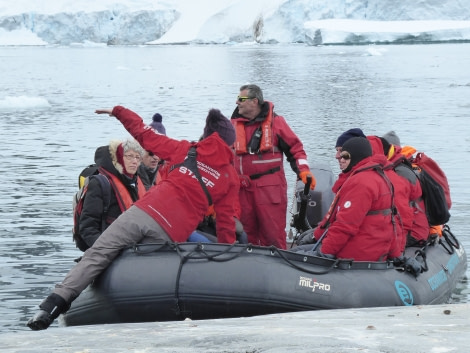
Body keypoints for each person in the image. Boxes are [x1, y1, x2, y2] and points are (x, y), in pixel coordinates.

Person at [27, 106, 239, 331]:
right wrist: (227, 262)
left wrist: (119, 111)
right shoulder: (230, 177)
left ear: (206, 136)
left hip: (142, 213)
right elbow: (226, 224)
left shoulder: (186, 150)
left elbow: (144, 134)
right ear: (230, 144)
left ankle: (49, 307)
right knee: (142, 270)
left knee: (99, 253)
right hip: (169, 233)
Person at [231, 84, 316, 249]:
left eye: (241, 99)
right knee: (245, 233)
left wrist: (303, 171)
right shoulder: (232, 125)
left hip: (269, 189)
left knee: (273, 234)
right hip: (241, 190)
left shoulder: (276, 123)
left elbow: (296, 150)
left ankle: (279, 267)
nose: (237, 102)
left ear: (254, 101)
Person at [300, 137, 400, 261]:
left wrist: (324, 253)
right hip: (374, 251)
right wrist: (396, 255)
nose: (340, 159)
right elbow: (392, 221)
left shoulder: (360, 183)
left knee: (295, 253)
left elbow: (345, 226)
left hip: (356, 253)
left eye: (345, 156)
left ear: (357, 157)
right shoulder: (381, 177)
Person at [78, 139, 147, 249]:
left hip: (131, 249)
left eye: (137, 157)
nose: (134, 161)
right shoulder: (99, 184)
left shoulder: (136, 183)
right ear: (119, 158)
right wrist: (105, 250)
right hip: (106, 248)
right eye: (129, 156)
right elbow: (87, 227)